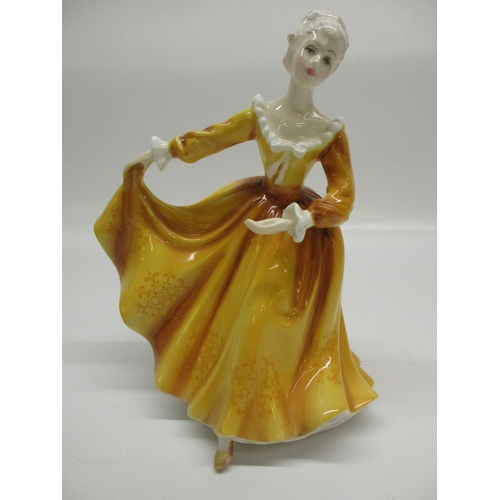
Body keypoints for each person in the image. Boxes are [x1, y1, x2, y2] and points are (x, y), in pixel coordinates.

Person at [95, 11, 377, 471]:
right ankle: (227, 421)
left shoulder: (330, 132)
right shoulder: (263, 115)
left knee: (268, 320)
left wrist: (307, 217)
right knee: (230, 305)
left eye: (328, 59)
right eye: (310, 50)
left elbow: (344, 195)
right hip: (252, 217)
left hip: (300, 237)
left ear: (334, 70)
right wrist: (166, 151)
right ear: (292, 47)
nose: (315, 63)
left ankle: (276, 406)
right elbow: (216, 137)